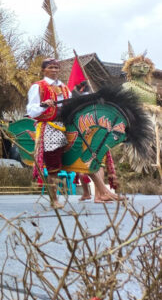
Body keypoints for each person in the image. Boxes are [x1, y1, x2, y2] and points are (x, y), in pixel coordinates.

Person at [27, 60, 120, 208]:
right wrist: (44, 105)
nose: (54, 70)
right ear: (43, 70)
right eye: (51, 67)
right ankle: (54, 200)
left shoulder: (64, 88)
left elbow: (72, 106)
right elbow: (30, 110)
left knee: (83, 156)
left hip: (67, 126)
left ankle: (103, 191)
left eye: (56, 67)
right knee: (53, 165)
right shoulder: (38, 87)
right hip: (49, 127)